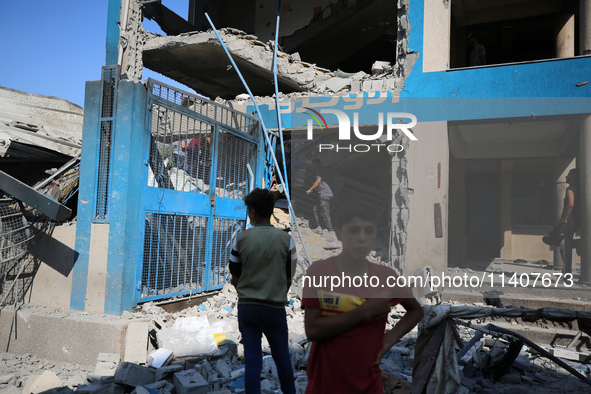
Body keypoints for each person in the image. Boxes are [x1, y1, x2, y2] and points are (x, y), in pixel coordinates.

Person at [301, 202, 424, 393]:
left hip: (368, 385)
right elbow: (312, 330)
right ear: (339, 233)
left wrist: (387, 342)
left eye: (369, 231)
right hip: (325, 384)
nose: (362, 238)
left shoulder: (385, 276)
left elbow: (415, 311)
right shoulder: (319, 272)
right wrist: (365, 311)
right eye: (354, 231)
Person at [228, 188, 297, 394]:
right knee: (282, 358)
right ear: (271, 210)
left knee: (252, 361)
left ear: (252, 212)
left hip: (248, 308)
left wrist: (245, 292)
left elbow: (234, 277)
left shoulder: (240, 239)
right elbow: (289, 275)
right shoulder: (287, 240)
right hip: (274, 309)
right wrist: (278, 292)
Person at [559, 168, 579, 274]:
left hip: (569, 221)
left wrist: (564, 218)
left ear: (573, 177)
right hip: (576, 220)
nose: (567, 176)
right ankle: (565, 273)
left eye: (569, 174)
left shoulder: (570, 189)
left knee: (565, 247)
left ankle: (566, 275)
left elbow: (570, 204)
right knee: (566, 246)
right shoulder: (579, 189)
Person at [306, 158, 333, 235]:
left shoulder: (319, 170)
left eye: (312, 165)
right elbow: (321, 184)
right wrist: (316, 189)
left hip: (324, 195)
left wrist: (309, 189)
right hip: (326, 194)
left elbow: (318, 181)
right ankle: (319, 227)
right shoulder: (324, 171)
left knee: (325, 212)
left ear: (316, 164)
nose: (312, 166)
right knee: (316, 209)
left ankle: (330, 230)